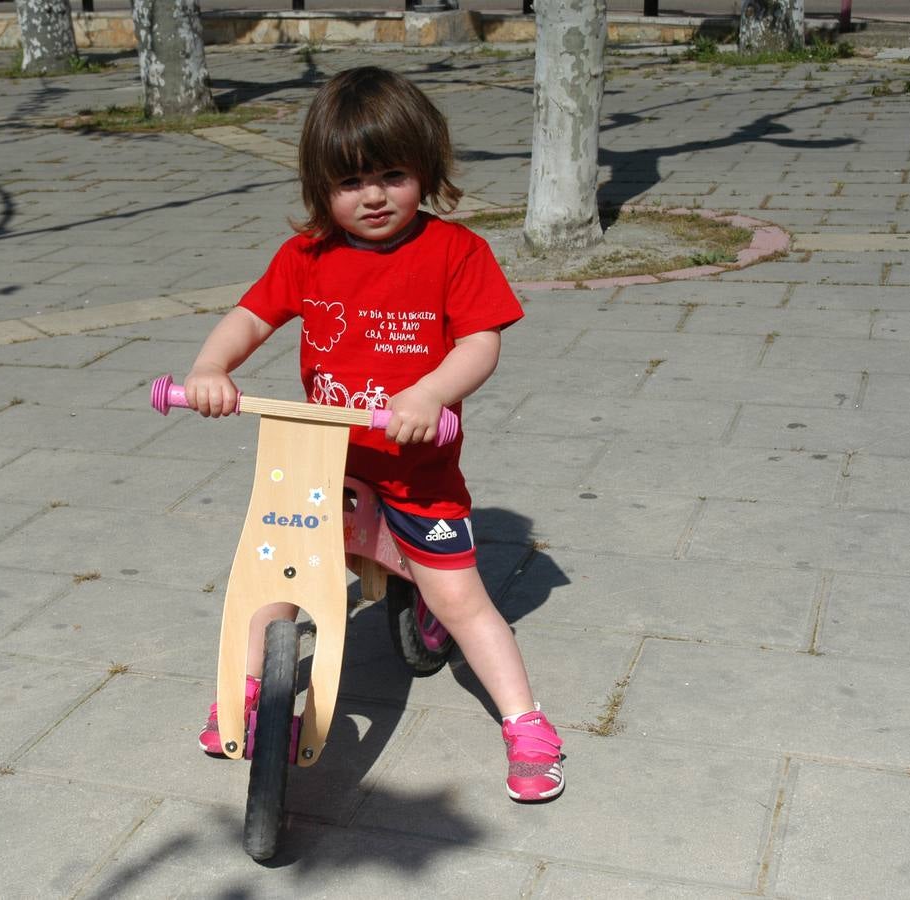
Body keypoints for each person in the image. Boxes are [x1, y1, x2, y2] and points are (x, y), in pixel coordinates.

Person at [182, 66, 564, 802]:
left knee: (459, 601)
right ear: (320, 186)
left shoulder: (456, 253)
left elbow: (479, 342)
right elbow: (251, 317)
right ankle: (248, 692)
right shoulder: (306, 257)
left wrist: (429, 391)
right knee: (275, 579)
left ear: (425, 171)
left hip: (416, 470)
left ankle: (525, 721)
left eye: (392, 175)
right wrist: (211, 366)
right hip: (320, 462)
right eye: (351, 182)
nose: (374, 196)